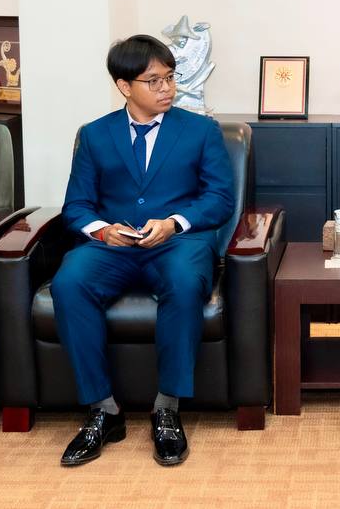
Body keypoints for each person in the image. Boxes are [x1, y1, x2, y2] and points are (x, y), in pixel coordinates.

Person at [51, 35, 235, 467]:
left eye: (170, 77)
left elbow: (220, 198)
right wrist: (102, 231)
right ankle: (103, 411)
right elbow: (76, 206)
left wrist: (174, 222)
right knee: (69, 283)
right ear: (124, 85)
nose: (166, 88)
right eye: (153, 81)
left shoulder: (201, 131)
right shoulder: (95, 135)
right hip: (113, 247)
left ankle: (166, 409)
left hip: (177, 242)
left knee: (185, 282)